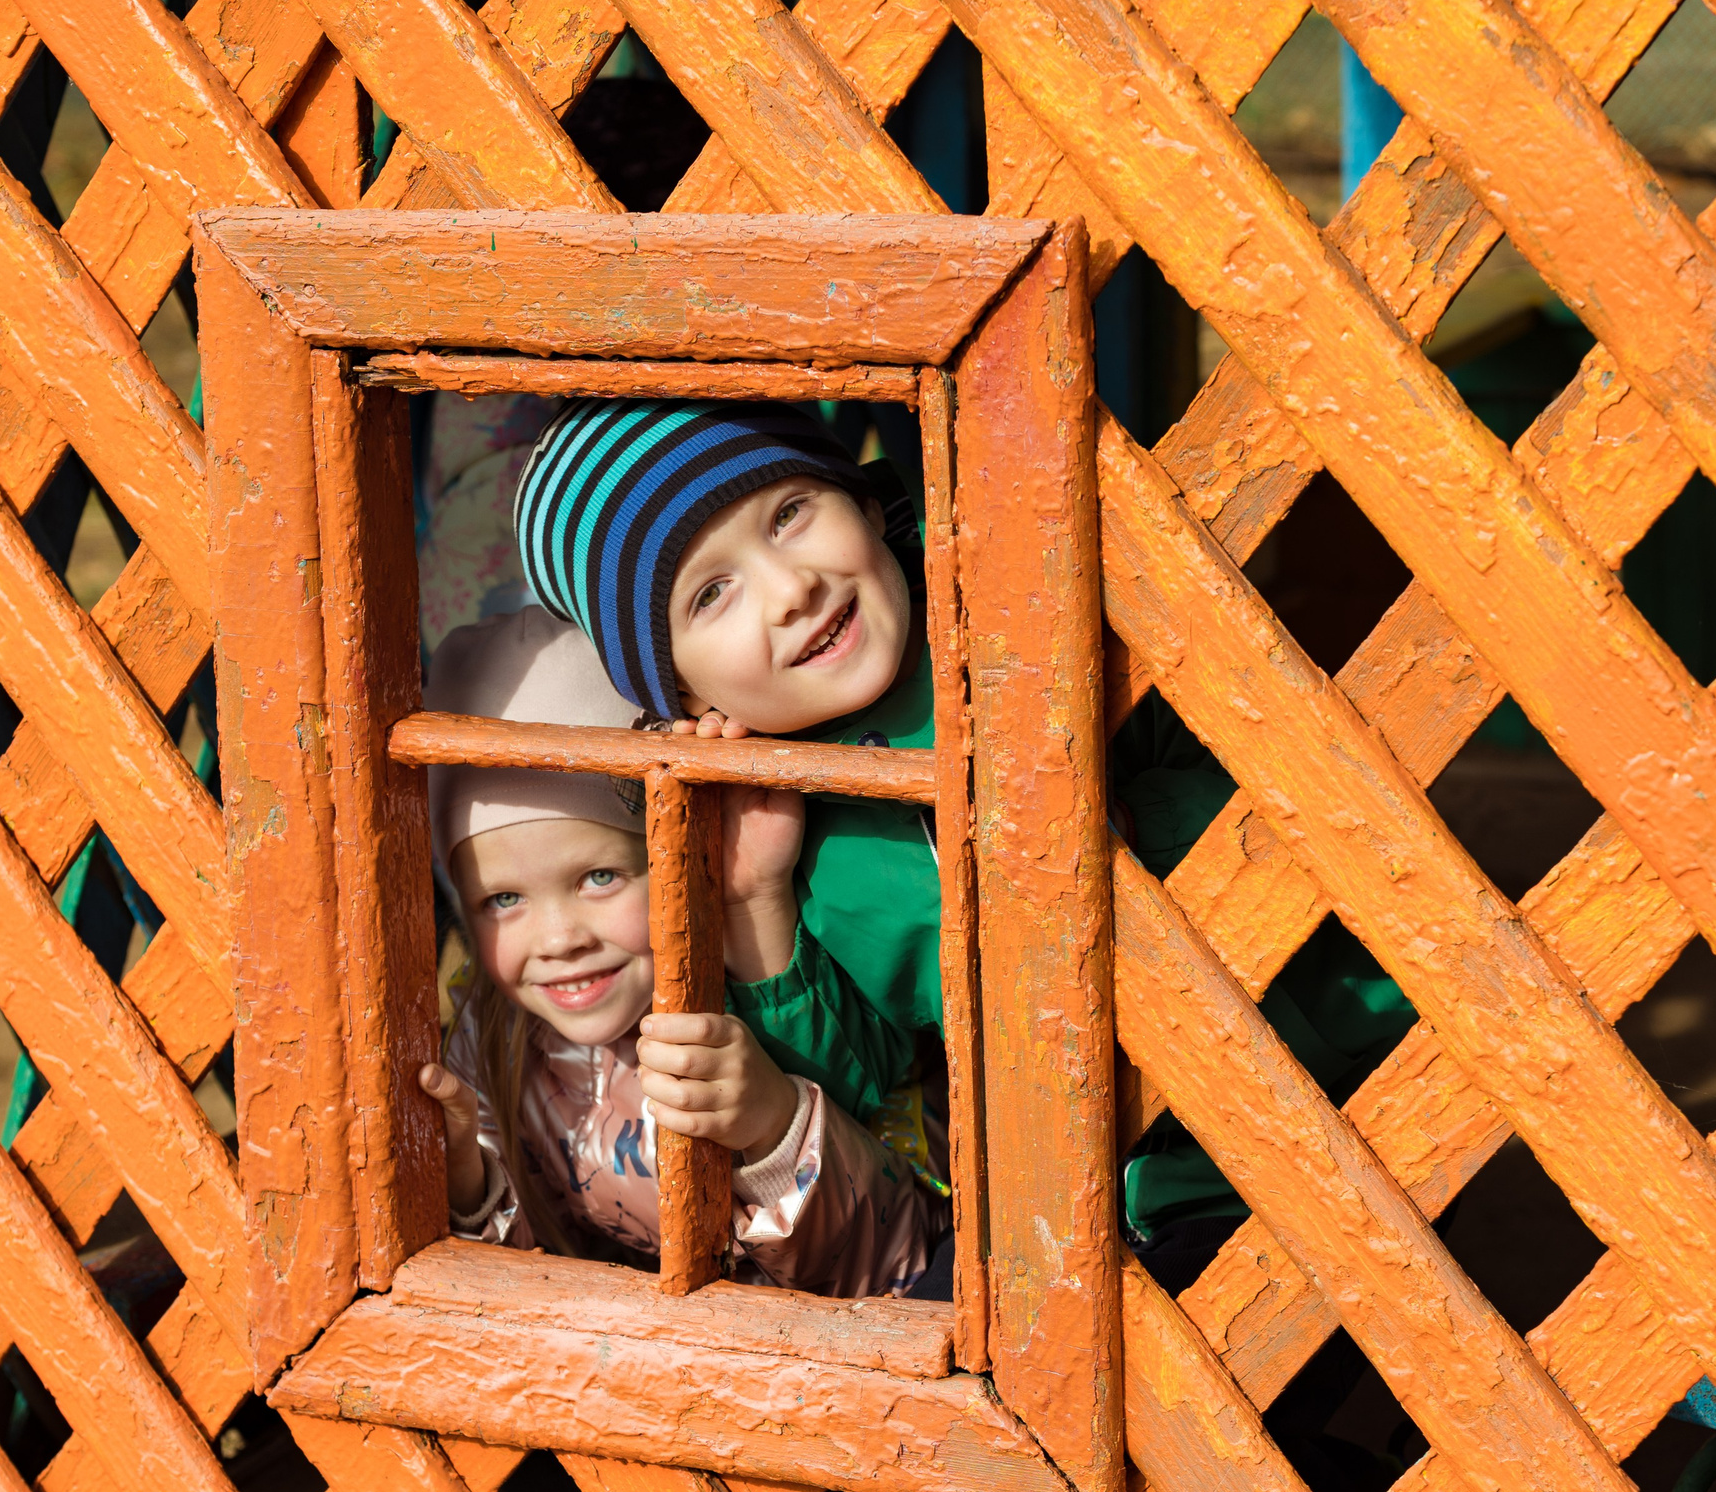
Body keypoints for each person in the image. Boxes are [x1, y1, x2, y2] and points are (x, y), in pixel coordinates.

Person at [513, 398, 1418, 1291]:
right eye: (712, 594)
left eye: (789, 514)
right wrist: (757, 899)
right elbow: (860, 1080)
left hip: (1341, 1083)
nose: (791, 591)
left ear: (865, 504)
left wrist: (1098, 837)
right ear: (683, 694)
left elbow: (1269, 775)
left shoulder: (1024, 614)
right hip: (1092, 1189)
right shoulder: (775, 820)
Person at [414, 606, 949, 1298]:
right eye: (503, 899)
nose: (559, 939)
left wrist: (772, 1125)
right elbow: (517, 1295)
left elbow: (904, 1263)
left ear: (669, 852)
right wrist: (469, 1184)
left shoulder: (755, 982)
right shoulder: (489, 1039)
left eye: (599, 877)